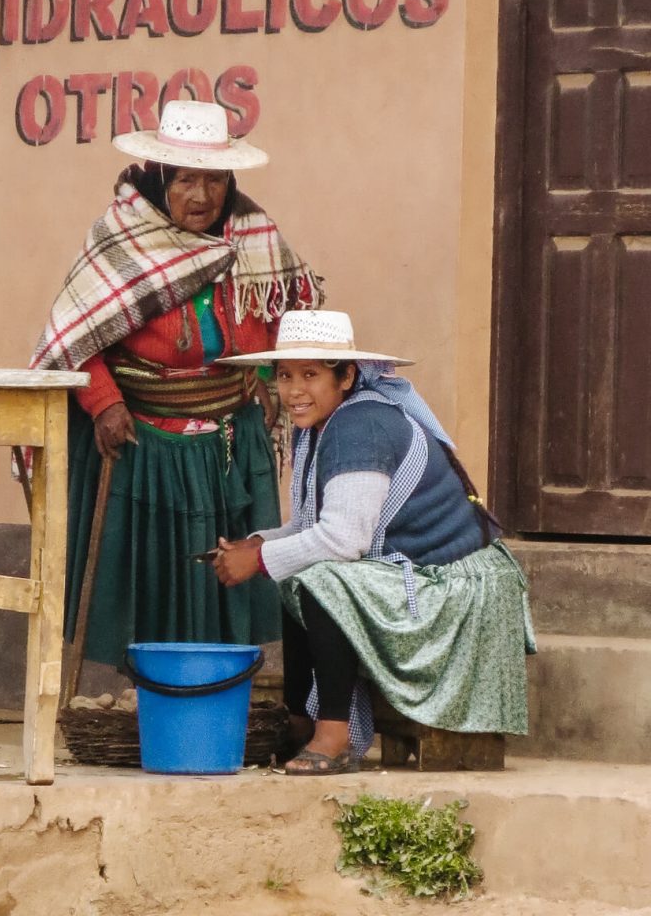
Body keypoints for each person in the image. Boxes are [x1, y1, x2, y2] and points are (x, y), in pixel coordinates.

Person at [28, 100, 323, 668]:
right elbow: (74, 341)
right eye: (186, 179)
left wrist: (264, 379)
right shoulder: (119, 241)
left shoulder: (252, 236)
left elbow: (275, 318)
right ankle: (152, 686)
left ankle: (218, 681)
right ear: (161, 178)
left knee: (230, 566)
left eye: (214, 180)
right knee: (152, 571)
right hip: (146, 443)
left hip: (228, 445)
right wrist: (104, 404)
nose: (201, 196)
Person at [213, 310, 536, 775]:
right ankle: (301, 722)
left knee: (321, 578)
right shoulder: (321, 428)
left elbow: (342, 541)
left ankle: (334, 736)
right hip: (414, 571)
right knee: (294, 571)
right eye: (284, 376)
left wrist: (260, 558)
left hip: (456, 587)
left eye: (310, 375)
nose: (294, 391)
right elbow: (316, 528)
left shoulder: (360, 426)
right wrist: (257, 545)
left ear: (346, 377)